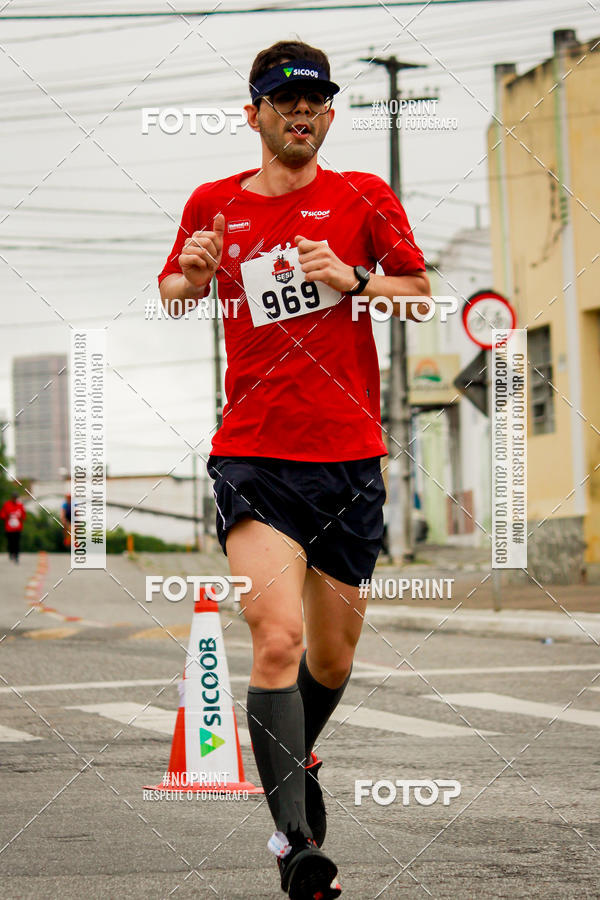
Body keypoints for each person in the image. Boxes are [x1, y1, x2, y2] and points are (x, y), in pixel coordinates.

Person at [159, 40, 429, 900]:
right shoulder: (215, 204)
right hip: (254, 456)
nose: (300, 114)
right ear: (255, 116)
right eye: (284, 103)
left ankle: (290, 754)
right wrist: (189, 275)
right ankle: (297, 843)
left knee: (335, 658)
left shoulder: (363, 197)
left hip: (348, 460)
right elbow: (173, 288)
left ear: (328, 115)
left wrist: (356, 278)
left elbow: (418, 290)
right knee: (274, 638)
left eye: (314, 102)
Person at [1, 492, 26, 563]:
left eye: (16, 498)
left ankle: (16, 555)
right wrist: (7, 516)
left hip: (18, 528)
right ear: (11, 498)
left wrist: (21, 517)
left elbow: (24, 516)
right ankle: (11, 553)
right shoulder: (7, 504)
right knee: (10, 542)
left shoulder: (20, 505)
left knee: (17, 542)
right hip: (9, 528)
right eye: (14, 497)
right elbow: (2, 515)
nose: (15, 499)